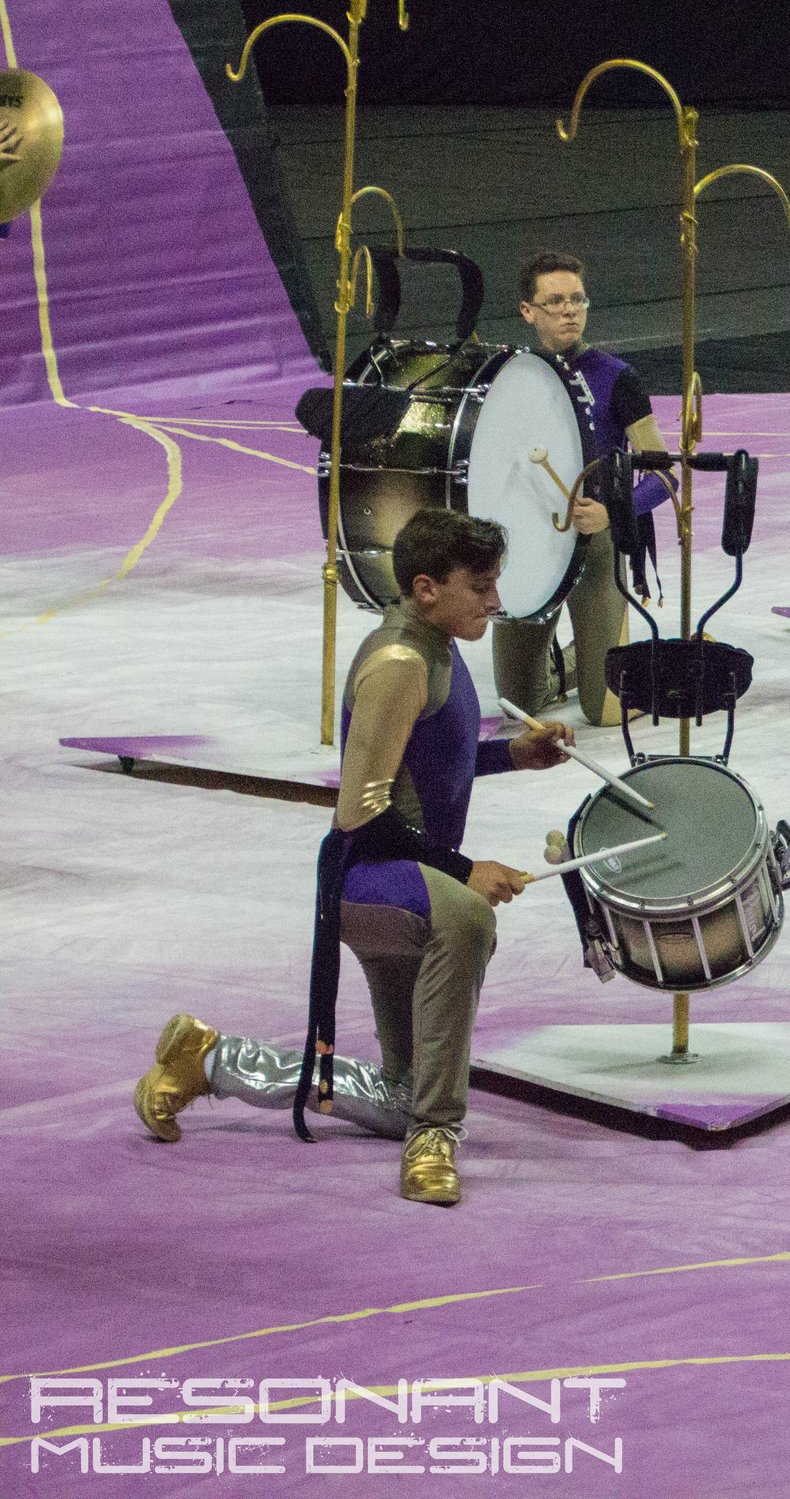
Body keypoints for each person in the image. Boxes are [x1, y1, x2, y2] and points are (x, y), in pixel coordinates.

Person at [134, 509, 573, 1204]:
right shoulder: (400, 663)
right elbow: (359, 814)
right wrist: (464, 871)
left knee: (397, 1095)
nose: (495, 601)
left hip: (403, 876)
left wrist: (516, 753)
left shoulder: (437, 642)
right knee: (467, 918)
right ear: (427, 588)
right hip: (368, 880)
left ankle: (210, 1059)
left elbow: (436, 766)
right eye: (481, 586)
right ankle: (435, 1138)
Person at [491, 251, 670, 726]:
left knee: (606, 714)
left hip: (596, 543)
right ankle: (570, 662)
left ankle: (649, 657)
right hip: (531, 546)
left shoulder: (617, 377)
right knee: (519, 710)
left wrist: (615, 510)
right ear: (528, 311)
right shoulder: (507, 378)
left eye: (577, 299)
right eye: (555, 301)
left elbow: (666, 474)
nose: (570, 310)